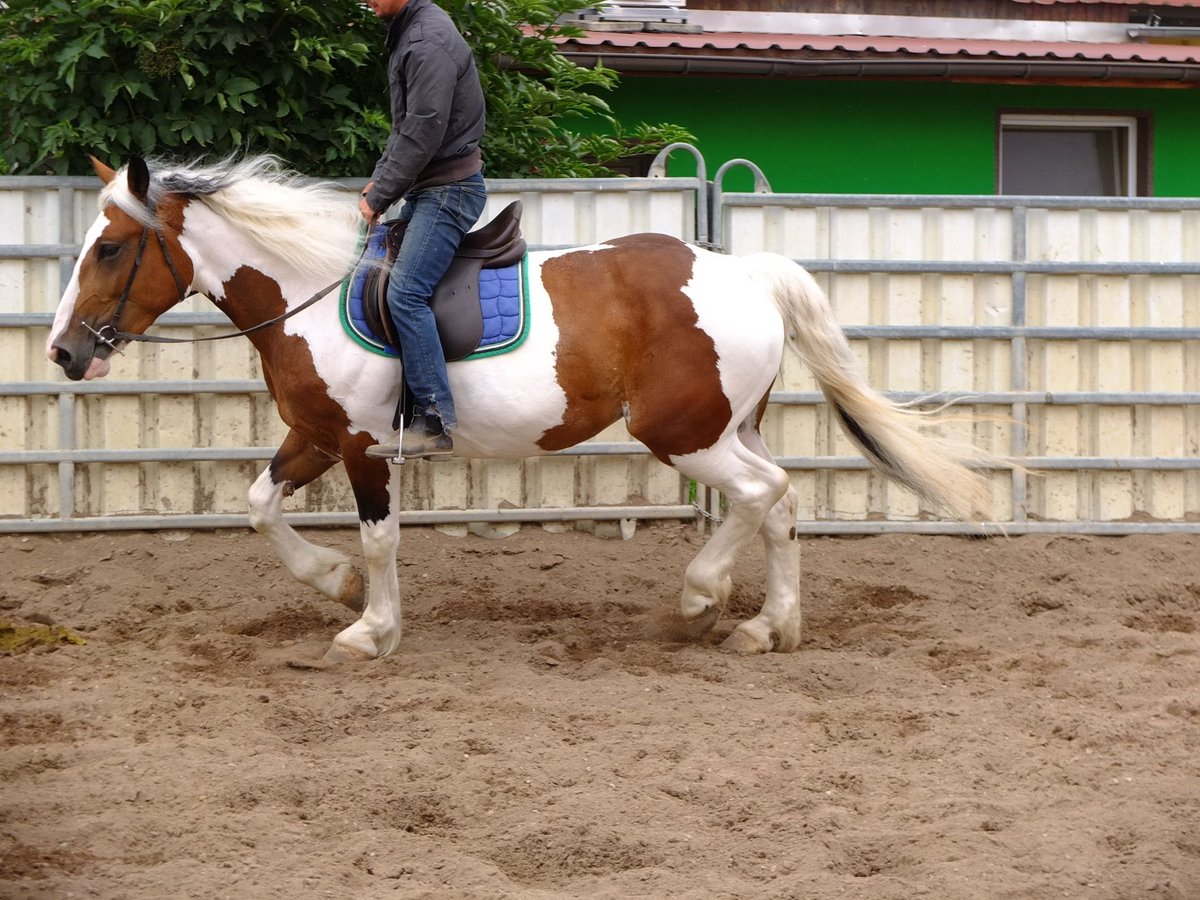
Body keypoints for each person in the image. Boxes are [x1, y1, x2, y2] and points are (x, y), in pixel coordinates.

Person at [361, 0, 487, 461]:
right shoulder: (411, 30)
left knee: (406, 292)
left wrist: (378, 197)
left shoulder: (425, 41)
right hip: (429, 187)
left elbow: (424, 130)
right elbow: (405, 130)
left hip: (448, 192)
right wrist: (382, 180)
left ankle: (434, 420)